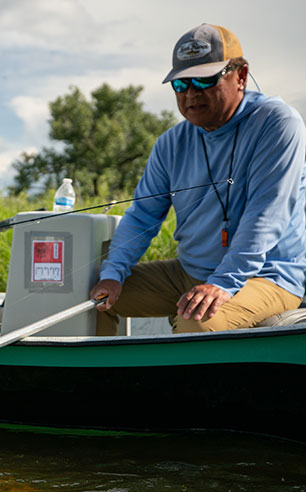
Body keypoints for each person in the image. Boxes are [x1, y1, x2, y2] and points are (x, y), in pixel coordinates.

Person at [90, 23, 306, 336]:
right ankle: (101, 383)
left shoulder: (277, 123)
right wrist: (112, 273)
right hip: (190, 272)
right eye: (181, 84)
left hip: (266, 276)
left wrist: (222, 284)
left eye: (204, 80)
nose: (191, 93)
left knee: (197, 321)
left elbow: (266, 215)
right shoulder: (170, 143)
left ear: (241, 76)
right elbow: (141, 217)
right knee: (89, 299)